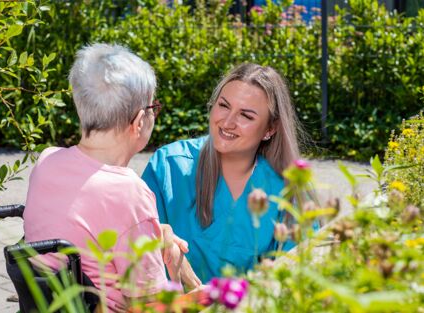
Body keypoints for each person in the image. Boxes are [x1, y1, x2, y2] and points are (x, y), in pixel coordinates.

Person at [23, 43, 188, 311]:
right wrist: (177, 272)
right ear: (138, 122)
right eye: (153, 107)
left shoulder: (47, 161)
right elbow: (149, 306)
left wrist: (152, 231)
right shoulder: (128, 193)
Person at [142, 63, 302, 283]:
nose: (227, 122)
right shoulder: (169, 167)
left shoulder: (287, 190)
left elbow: (299, 278)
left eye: (246, 116)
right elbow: (138, 254)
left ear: (270, 129)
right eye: (224, 106)